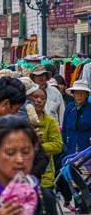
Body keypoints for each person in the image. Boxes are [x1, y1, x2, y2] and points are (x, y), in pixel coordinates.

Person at [60, 79, 91, 211]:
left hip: (86, 148)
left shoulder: (90, 109)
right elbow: (65, 128)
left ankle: (87, 205)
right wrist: (64, 146)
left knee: (87, 178)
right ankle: (79, 205)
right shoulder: (69, 108)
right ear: (73, 94)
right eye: (77, 93)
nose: (79, 96)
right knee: (74, 178)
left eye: (82, 93)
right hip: (71, 147)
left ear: (86, 95)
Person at [27, 85, 63, 189]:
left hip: (45, 177)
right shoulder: (22, 120)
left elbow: (57, 145)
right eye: (36, 97)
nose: (39, 101)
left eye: (43, 98)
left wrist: (35, 148)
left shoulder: (50, 122)